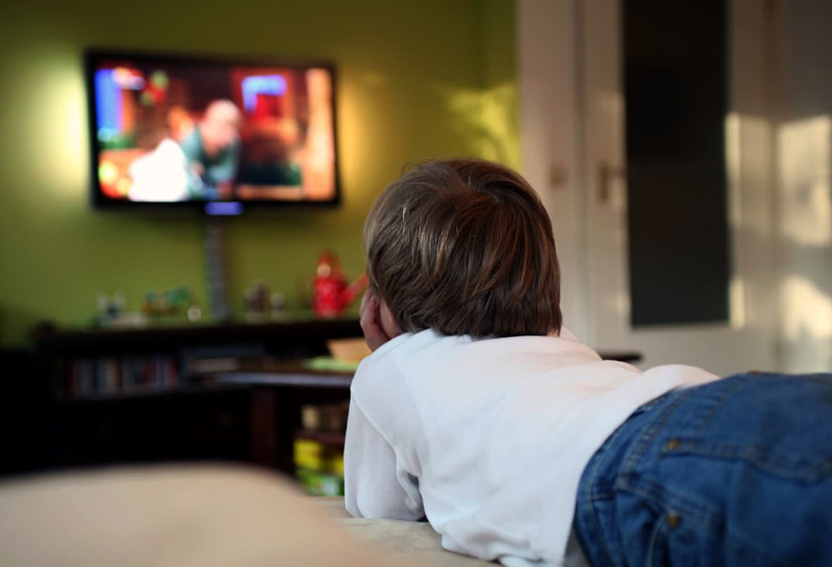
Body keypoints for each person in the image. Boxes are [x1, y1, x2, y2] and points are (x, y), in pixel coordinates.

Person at [343, 158, 832, 567]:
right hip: (701, 402)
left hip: (639, 466)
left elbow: (379, 510)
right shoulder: (558, 341)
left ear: (378, 302)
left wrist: (384, 357)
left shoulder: (390, 369)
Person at [179, 99, 242, 199]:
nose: (229, 136)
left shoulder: (232, 141)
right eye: (223, 128)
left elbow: (227, 175)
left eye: (232, 130)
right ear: (210, 124)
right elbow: (189, 187)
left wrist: (203, 172)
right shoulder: (191, 141)